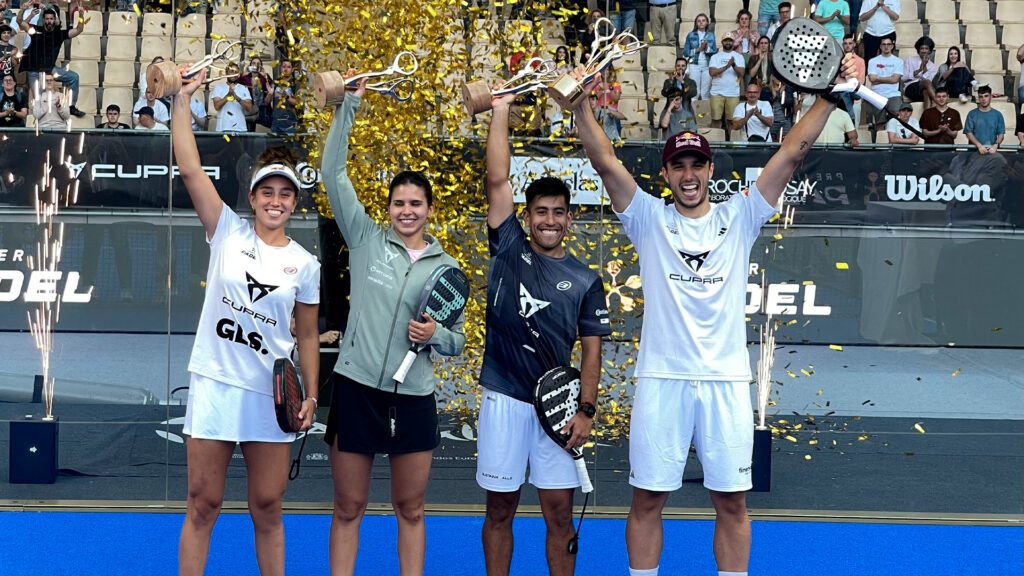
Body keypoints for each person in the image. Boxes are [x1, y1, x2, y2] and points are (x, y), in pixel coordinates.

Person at [565, 52, 860, 576]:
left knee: (732, 503)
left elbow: (791, 152)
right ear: (666, 173)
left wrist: (829, 99)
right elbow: (606, 162)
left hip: (725, 381)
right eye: (677, 165)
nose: (688, 173)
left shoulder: (740, 214)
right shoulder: (648, 219)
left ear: (709, 169)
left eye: (696, 164)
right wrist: (581, 106)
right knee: (647, 502)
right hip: (662, 379)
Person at [171, 68, 321, 576]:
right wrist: (182, 100)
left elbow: (305, 336)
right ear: (253, 198)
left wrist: (313, 395)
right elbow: (191, 170)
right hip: (215, 383)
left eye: (285, 194)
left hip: (269, 393)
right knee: (203, 502)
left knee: (267, 507)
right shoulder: (227, 231)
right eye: (267, 193)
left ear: (294, 203)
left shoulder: (305, 264)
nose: (276, 201)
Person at [321, 71, 466, 576]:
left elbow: (458, 341)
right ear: (387, 209)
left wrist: (436, 336)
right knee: (349, 507)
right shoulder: (364, 238)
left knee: (411, 508)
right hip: (357, 386)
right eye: (399, 203)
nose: (407, 210)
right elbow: (332, 174)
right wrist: (349, 109)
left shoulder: (446, 268)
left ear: (429, 210)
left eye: (416, 203)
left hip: (414, 396)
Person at [479, 83, 611, 576]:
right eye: (540, 212)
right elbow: (497, 180)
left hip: (558, 411)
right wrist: (500, 110)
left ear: (570, 219)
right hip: (505, 399)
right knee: (500, 510)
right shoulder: (509, 247)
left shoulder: (585, 279)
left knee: (558, 513)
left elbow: (592, 354)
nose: (549, 220)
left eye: (558, 212)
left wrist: (587, 411)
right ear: (528, 217)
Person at [17, 2, 85, 117]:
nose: (49, 21)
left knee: (74, 77)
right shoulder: (35, 31)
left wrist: (81, 16)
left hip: (50, 69)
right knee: (39, 100)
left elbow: (79, 30)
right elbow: (20, 22)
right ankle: (40, 119)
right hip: (34, 70)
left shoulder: (60, 34)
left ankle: (71, 106)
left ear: (54, 20)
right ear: (44, 20)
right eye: (47, 19)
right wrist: (22, 11)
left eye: (51, 19)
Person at [865, 37, 903, 140]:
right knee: (879, 122)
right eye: (884, 44)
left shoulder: (898, 61)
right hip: (877, 94)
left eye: (888, 44)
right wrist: (889, 78)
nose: (886, 46)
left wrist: (878, 78)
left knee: (897, 116)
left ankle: (895, 140)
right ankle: (880, 142)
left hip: (893, 94)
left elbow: (895, 79)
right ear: (880, 46)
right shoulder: (873, 61)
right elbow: (872, 79)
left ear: (892, 46)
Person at [708, 32, 744, 129]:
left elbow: (742, 73)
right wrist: (726, 66)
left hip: (733, 93)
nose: (728, 42)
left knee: (731, 122)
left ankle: (730, 144)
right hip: (716, 93)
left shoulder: (739, 56)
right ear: (722, 42)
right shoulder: (715, 57)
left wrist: (733, 65)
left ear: (733, 42)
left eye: (730, 41)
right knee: (715, 120)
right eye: (726, 40)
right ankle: (715, 142)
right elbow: (712, 72)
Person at [681, 14, 717, 100]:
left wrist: (706, 48)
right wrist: (698, 49)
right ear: (696, 23)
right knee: (694, 92)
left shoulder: (711, 35)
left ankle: (705, 113)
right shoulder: (691, 35)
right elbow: (685, 52)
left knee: (705, 93)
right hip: (694, 65)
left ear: (707, 22)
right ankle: (693, 113)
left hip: (707, 65)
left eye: (703, 20)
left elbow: (714, 51)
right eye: (699, 21)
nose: (701, 22)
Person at [659, 58, 698, 137]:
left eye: (683, 66)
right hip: (671, 113)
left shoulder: (691, 82)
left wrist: (683, 83)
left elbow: (693, 93)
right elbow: (664, 93)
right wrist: (671, 83)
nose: (680, 68)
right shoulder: (669, 81)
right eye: (678, 65)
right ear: (675, 67)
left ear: (686, 67)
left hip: (686, 112)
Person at [211, 62, 253, 132]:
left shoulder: (244, 88)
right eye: (231, 71)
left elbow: (249, 108)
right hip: (223, 128)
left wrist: (236, 97)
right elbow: (217, 106)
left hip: (240, 128)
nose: (234, 73)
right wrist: (229, 94)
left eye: (236, 72)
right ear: (227, 72)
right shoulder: (218, 88)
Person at [964, 85, 1005, 155]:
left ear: (990, 97)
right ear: (978, 98)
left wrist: (996, 145)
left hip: (991, 152)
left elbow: (1001, 134)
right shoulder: (972, 114)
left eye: (986, 96)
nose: (983, 99)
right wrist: (979, 146)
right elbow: (968, 133)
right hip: (973, 152)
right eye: (981, 96)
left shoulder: (998, 115)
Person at [902, 36, 938, 111]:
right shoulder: (910, 60)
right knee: (926, 84)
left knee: (926, 91)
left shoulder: (933, 67)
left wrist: (925, 71)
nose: (924, 51)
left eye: (926, 48)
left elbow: (930, 83)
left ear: (930, 51)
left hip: (924, 90)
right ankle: (939, 102)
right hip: (910, 88)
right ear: (918, 50)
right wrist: (917, 71)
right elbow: (903, 78)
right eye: (922, 48)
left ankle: (926, 117)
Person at [238, 56, 271, 131]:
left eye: (258, 64)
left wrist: (264, 75)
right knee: (249, 130)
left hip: (261, 110)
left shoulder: (263, 78)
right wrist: (243, 74)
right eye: (253, 63)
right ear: (250, 65)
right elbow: (236, 85)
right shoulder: (245, 78)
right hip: (250, 109)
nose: (256, 65)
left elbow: (271, 86)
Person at [550, 45, 575, 136]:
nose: (561, 54)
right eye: (560, 52)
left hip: (565, 91)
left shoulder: (568, 66)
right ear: (556, 54)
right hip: (553, 90)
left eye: (563, 52)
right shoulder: (552, 64)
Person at [269, 59, 298, 134]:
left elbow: (298, 103)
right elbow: (270, 102)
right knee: (275, 146)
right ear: (280, 69)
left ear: (292, 70)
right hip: (275, 123)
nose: (285, 69)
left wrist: (287, 97)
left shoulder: (295, 83)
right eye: (283, 66)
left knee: (290, 145)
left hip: (290, 123)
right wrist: (269, 94)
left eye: (288, 67)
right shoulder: (276, 82)